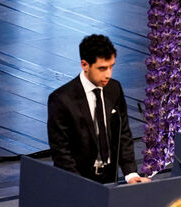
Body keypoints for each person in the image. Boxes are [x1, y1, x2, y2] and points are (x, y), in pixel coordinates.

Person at [47, 34, 150, 184]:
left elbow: (123, 134)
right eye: (102, 68)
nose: (108, 74)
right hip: (78, 181)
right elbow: (61, 152)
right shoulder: (62, 100)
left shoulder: (114, 89)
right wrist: (80, 186)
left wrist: (131, 174)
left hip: (109, 179)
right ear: (85, 65)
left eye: (111, 67)